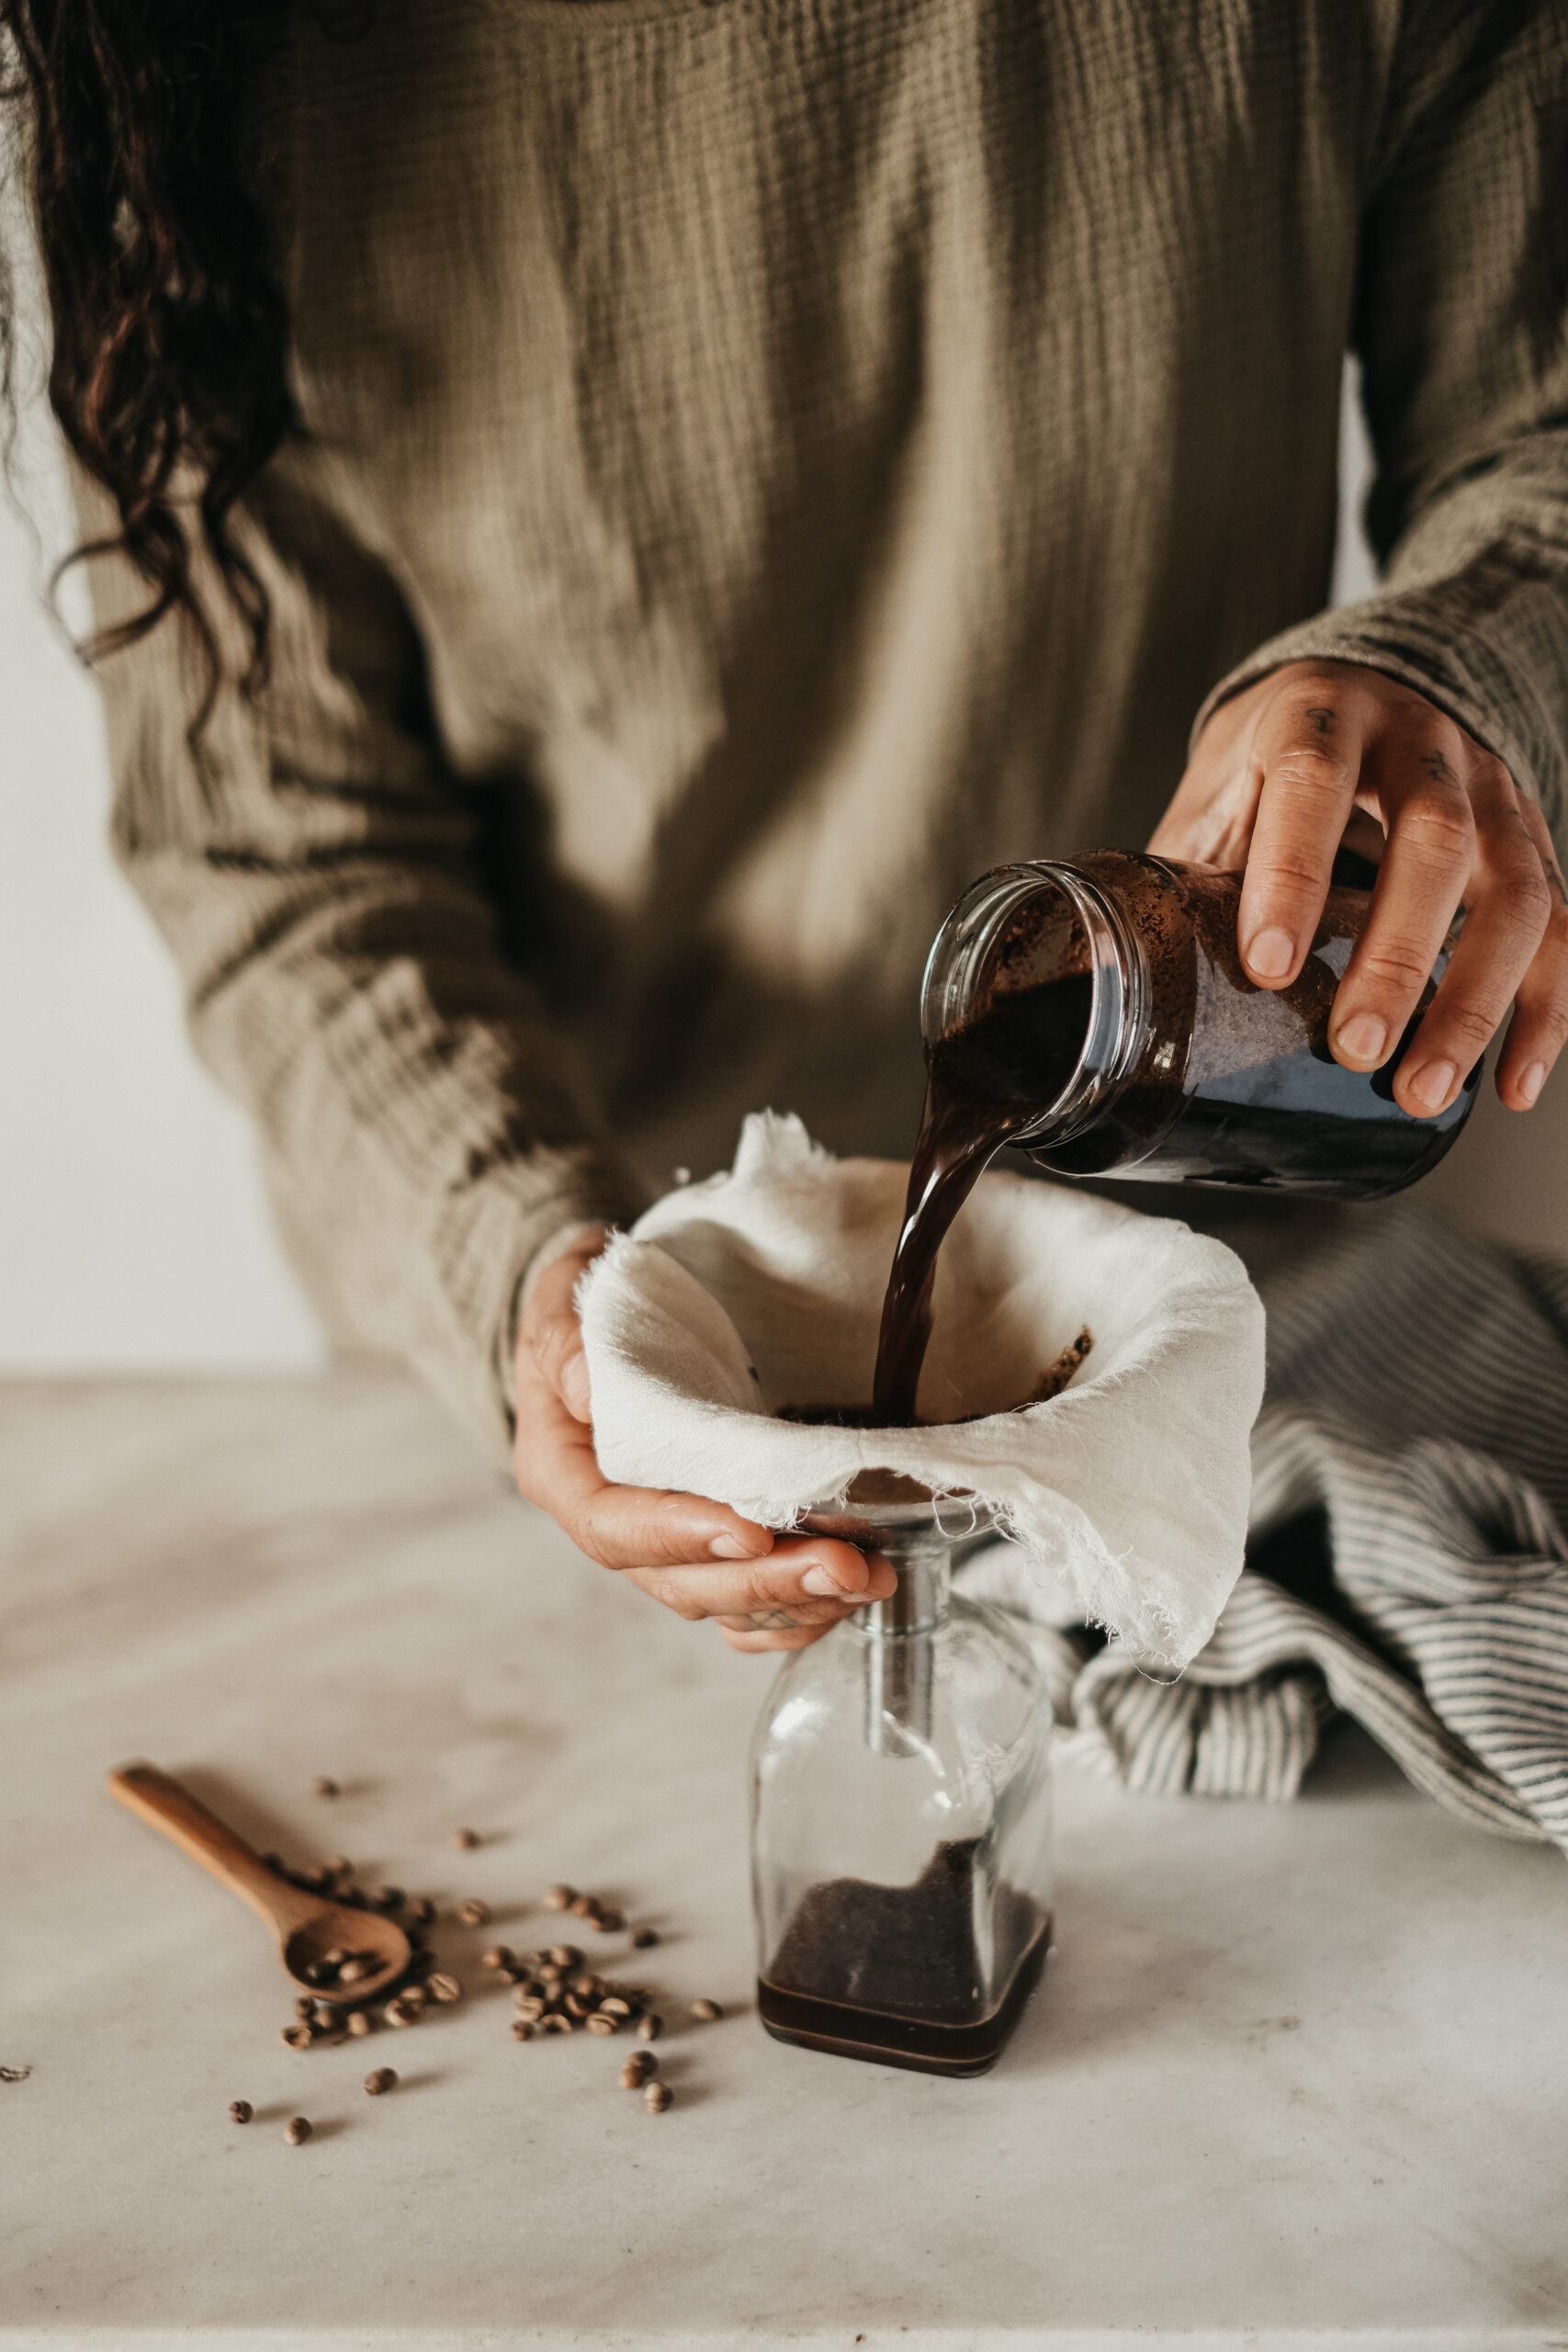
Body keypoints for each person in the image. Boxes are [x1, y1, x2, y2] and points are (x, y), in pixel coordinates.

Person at [6, 1, 1566, 1666]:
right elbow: (281, 846)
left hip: (1223, 1233)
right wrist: (528, 1278)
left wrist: (1453, 657)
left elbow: (1531, 435)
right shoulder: (192, 63)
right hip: (589, 1341)